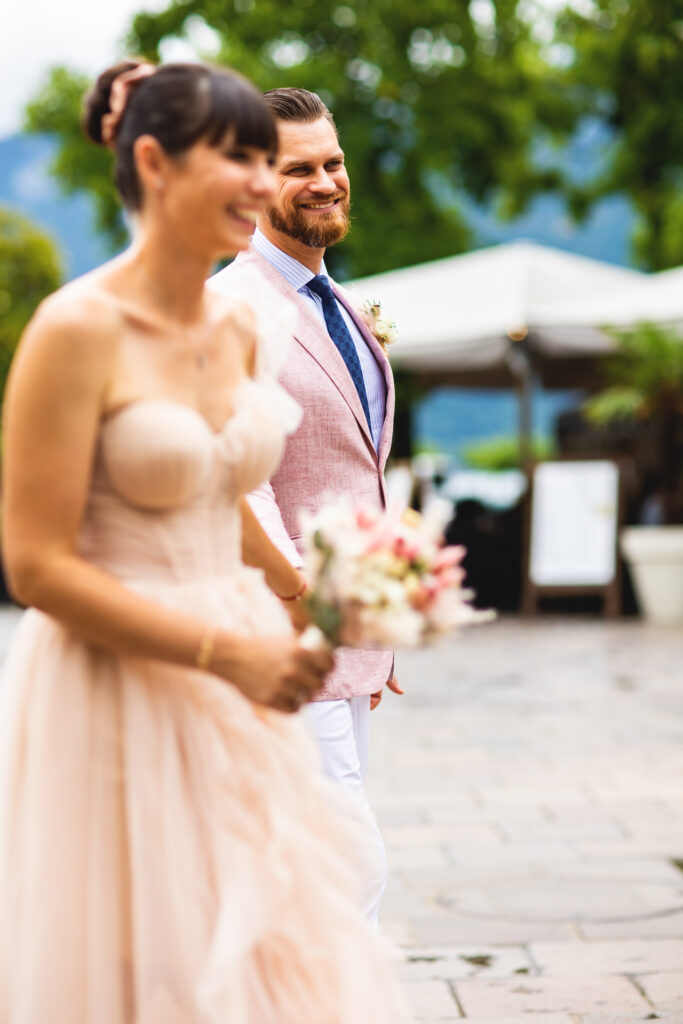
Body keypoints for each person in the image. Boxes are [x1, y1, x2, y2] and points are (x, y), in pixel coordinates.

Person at [0, 61, 411, 1023]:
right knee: (166, 942)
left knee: (271, 922)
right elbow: (32, 565)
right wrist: (235, 642)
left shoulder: (229, 337)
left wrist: (337, 614)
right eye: (245, 161)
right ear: (152, 161)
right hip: (135, 658)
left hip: (265, 647)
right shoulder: (76, 327)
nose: (264, 186)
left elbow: (222, 486)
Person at [212, 87, 403, 926]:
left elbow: (349, 473)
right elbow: (234, 478)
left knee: (300, 878)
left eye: (332, 162)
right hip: (282, 636)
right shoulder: (234, 306)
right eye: (300, 169)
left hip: (347, 647)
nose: (325, 181)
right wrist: (303, 603)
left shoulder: (349, 309)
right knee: (344, 873)